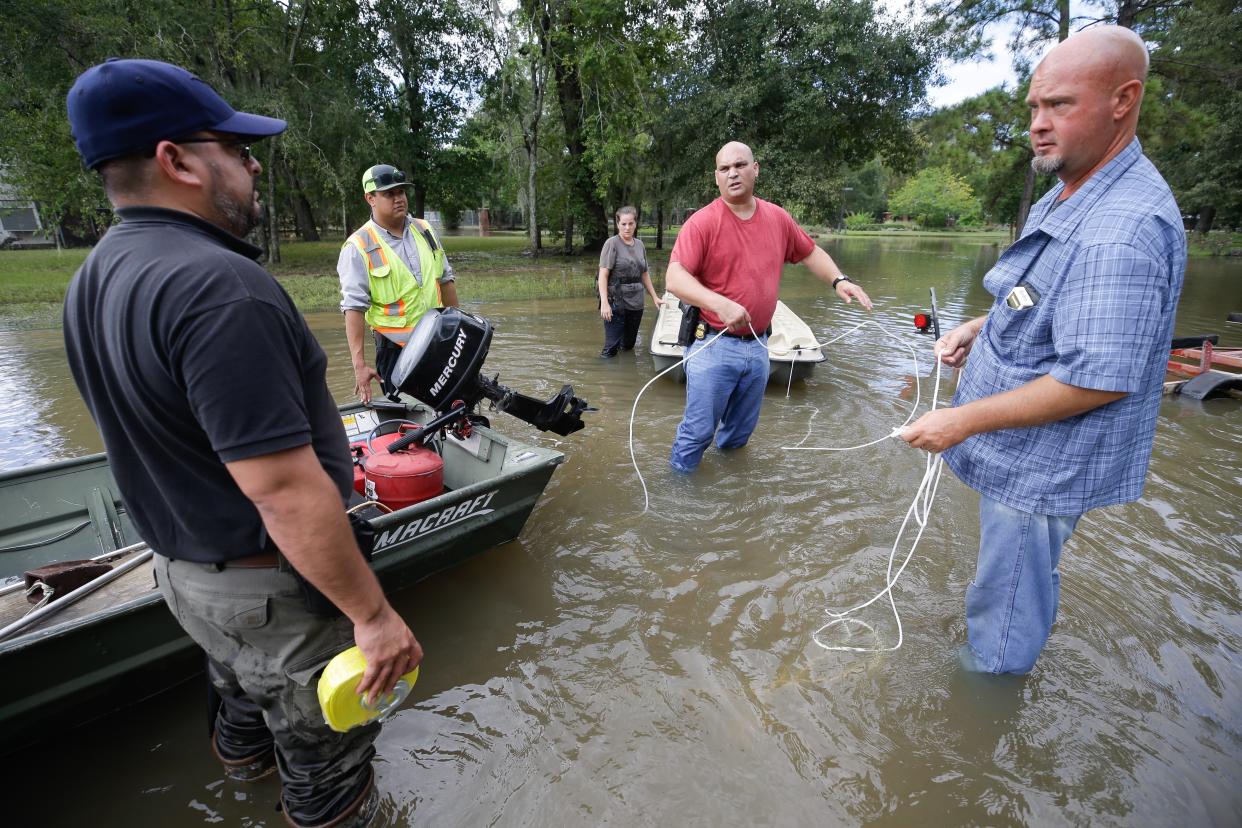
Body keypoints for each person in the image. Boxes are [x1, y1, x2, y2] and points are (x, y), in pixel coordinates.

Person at [63, 58, 421, 827]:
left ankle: (241, 780)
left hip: (184, 576)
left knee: (238, 697)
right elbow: (283, 489)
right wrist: (372, 615)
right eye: (234, 146)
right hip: (269, 590)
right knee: (329, 765)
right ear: (177, 160)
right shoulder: (221, 289)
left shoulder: (95, 275)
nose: (253, 163)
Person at [900, 27, 1186, 675]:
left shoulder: (1123, 231)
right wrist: (983, 324)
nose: (1038, 124)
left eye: (1059, 105)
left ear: (1124, 99)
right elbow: (1046, 295)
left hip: (1043, 469)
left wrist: (958, 420)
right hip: (1019, 454)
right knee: (1009, 585)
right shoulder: (1077, 188)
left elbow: (1098, 381)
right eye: (1033, 108)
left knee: (1003, 619)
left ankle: (984, 709)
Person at [665, 141, 872, 472]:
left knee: (738, 436)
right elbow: (674, 278)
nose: (733, 173)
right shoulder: (702, 223)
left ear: (755, 169)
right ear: (716, 177)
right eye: (724, 169)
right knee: (697, 434)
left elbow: (809, 252)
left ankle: (730, 490)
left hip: (760, 347)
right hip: (712, 346)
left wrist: (839, 280)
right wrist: (720, 304)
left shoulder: (778, 218)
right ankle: (678, 499)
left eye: (740, 165)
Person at [337, 164, 458, 403]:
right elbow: (353, 308)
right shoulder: (358, 246)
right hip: (396, 352)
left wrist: (459, 328)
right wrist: (359, 365)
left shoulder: (424, 230)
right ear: (370, 198)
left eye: (401, 192)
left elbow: (446, 281)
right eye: (389, 194)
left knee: (455, 413)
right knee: (411, 425)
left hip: (439, 342)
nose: (398, 199)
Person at [597, 206, 661, 357]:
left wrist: (655, 297)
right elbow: (603, 275)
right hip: (616, 301)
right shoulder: (611, 244)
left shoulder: (640, 245)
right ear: (618, 224)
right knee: (611, 349)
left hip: (637, 302)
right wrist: (605, 303)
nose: (627, 227)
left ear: (635, 224)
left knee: (628, 346)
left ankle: (624, 372)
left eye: (630, 223)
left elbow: (644, 273)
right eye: (623, 224)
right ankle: (605, 376)